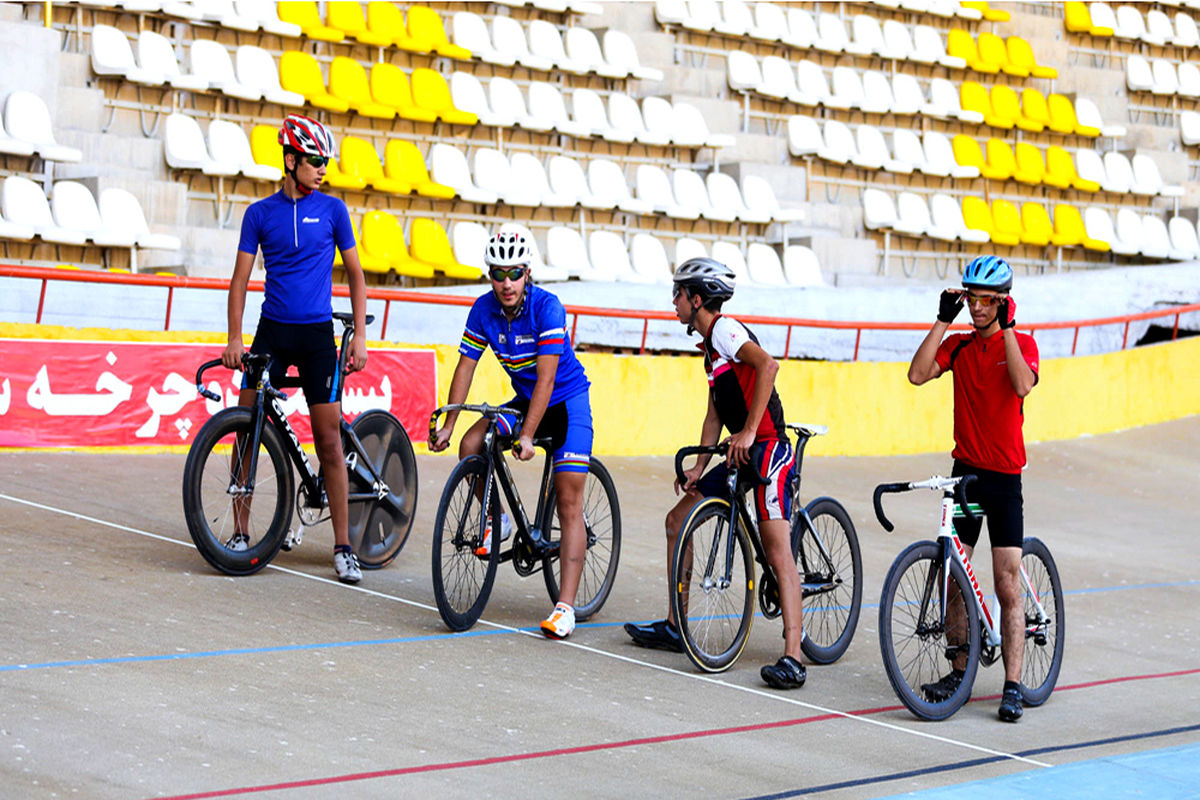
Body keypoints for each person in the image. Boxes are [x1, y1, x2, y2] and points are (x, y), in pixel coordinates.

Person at [623, 257, 806, 690]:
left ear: (697, 299)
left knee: (777, 548)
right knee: (676, 520)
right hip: (740, 449)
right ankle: (675, 624)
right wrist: (700, 465)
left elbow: (768, 366)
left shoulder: (725, 329)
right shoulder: (709, 347)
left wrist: (746, 431)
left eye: (678, 294)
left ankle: (794, 657)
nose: (673, 301)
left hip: (767, 447)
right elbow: (714, 411)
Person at [221, 114, 369, 584]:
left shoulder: (334, 211)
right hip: (272, 332)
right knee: (246, 432)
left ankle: (343, 548)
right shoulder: (258, 214)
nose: (323, 168)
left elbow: (356, 275)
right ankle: (241, 533)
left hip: (315, 337)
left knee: (328, 440)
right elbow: (240, 281)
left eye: (325, 160)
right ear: (290, 160)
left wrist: (361, 334)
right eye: (314, 160)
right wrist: (233, 338)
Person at [429, 229, 592, 640]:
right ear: (490, 275)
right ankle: (497, 519)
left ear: (527, 273)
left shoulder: (548, 307)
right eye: (498, 274)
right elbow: (465, 366)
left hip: (565, 403)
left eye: (514, 274)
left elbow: (548, 378)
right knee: (472, 443)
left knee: (568, 499)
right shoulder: (483, 310)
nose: (506, 283)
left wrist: (528, 435)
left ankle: (565, 608)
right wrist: (449, 422)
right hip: (525, 400)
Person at [907, 254, 1039, 722]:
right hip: (966, 476)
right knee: (952, 576)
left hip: (1004, 479)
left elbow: (1022, 386)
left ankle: (1013, 684)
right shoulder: (959, 346)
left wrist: (1006, 330)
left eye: (985, 300)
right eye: (971, 298)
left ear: (1003, 302)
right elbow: (917, 374)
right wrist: (943, 320)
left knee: (1006, 582)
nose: (977, 308)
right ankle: (958, 670)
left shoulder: (1021, 342)